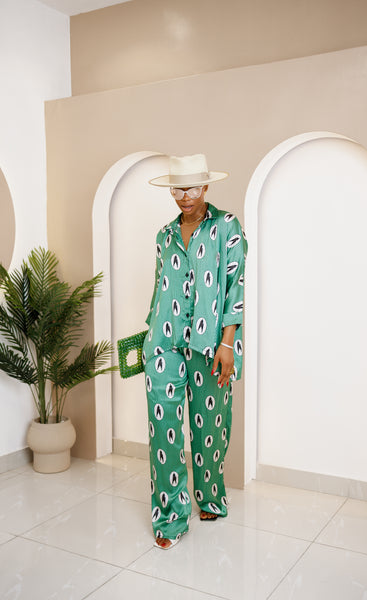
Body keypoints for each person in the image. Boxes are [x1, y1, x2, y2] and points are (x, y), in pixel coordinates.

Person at [143, 154, 247, 549]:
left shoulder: (226, 227)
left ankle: (211, 497)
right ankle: (169, 518)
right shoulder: (163, 235)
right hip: (163, 343)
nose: (184, 197)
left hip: (210, 345)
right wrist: (149, 335)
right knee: (163, 427)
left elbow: (235, 287)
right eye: (177, 189)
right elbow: (160, 287)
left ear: (206, 188)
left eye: (191, 188)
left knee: (210, 426)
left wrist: (227, 343)